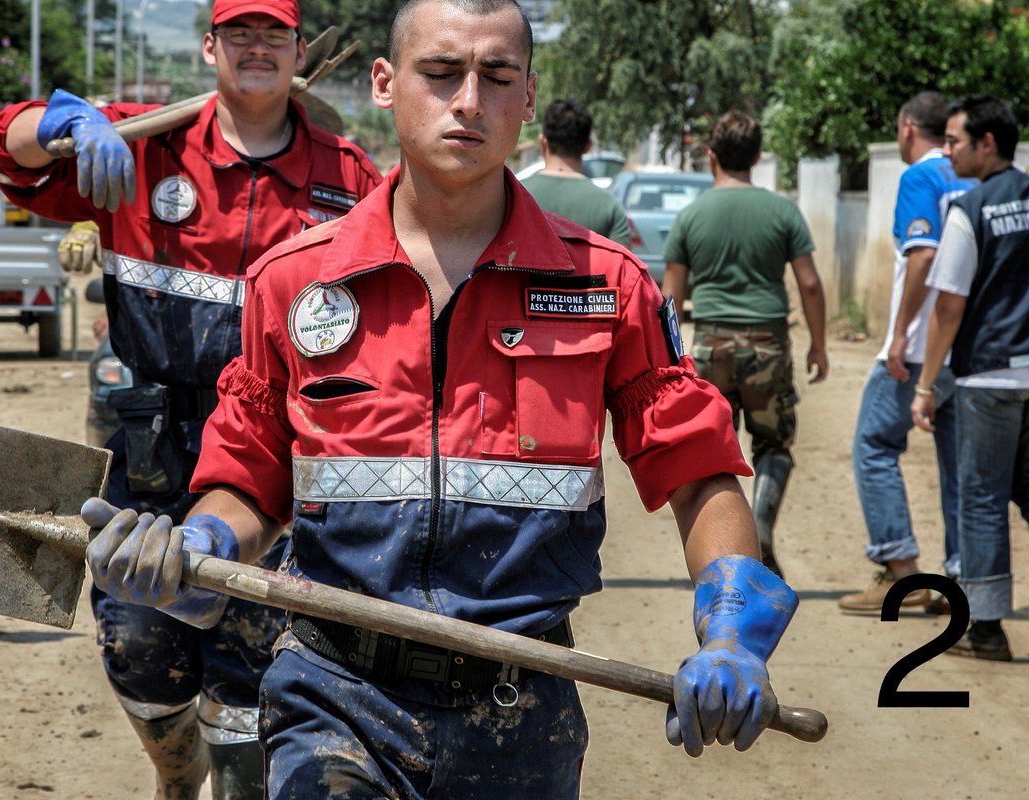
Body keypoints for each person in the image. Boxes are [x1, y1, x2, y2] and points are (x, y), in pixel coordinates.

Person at [79, 0, 800, 796]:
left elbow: (700, 472)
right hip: (332, 695)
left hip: (520, 708)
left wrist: (731, 626)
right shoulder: (293, 280)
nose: (468, 101)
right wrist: (203, 546)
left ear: (528, 98)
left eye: (496, 78)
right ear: (386, 83)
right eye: (441, 72)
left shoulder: (606, 287)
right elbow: (251, 473)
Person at [0, 0, 382, 796]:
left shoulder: (351, 176)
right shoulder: (136, 148)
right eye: (240, 33)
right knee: (138, 647)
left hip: (283, 455)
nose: (257, 48)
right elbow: (9, 158)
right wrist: (65, 120)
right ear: (210, 47)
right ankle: (175, 769)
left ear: (299, 50)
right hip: (153, 451)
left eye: (274, 34)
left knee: (260, 667)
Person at [661, 110, 828, 580]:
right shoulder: (782, 211)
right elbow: (810, 284)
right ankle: (763, 528)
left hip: (713, 346)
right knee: (774, 444)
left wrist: (670, 363)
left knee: (715, 449)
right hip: (768, 345)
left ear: (711, 156)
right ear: (757, 157)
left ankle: (728, 553)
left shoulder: (692, 215)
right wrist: (819, 345)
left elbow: (670, 298)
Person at [839, 92, 975, 615]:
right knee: (960, 466)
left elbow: (923, 255)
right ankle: (964, 578)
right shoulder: (974, 176)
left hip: (917, 348)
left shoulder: (920, 177)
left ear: (906, 128)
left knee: (873, 445)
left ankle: (903, 572)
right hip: (966, 349)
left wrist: (898, 333)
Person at [912, 95, 1029, 662]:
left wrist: (926, 383)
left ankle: (985, 630)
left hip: (987, 377)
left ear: (988, 143)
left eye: (955, 140)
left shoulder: (970, 208)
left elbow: (948, 307)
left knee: (981, 498)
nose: (947, 149)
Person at [520, 98, 633, 245]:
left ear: (543, 142)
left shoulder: (512, 196)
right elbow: (624, 264)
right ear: (588, 146)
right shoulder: (609, 206)